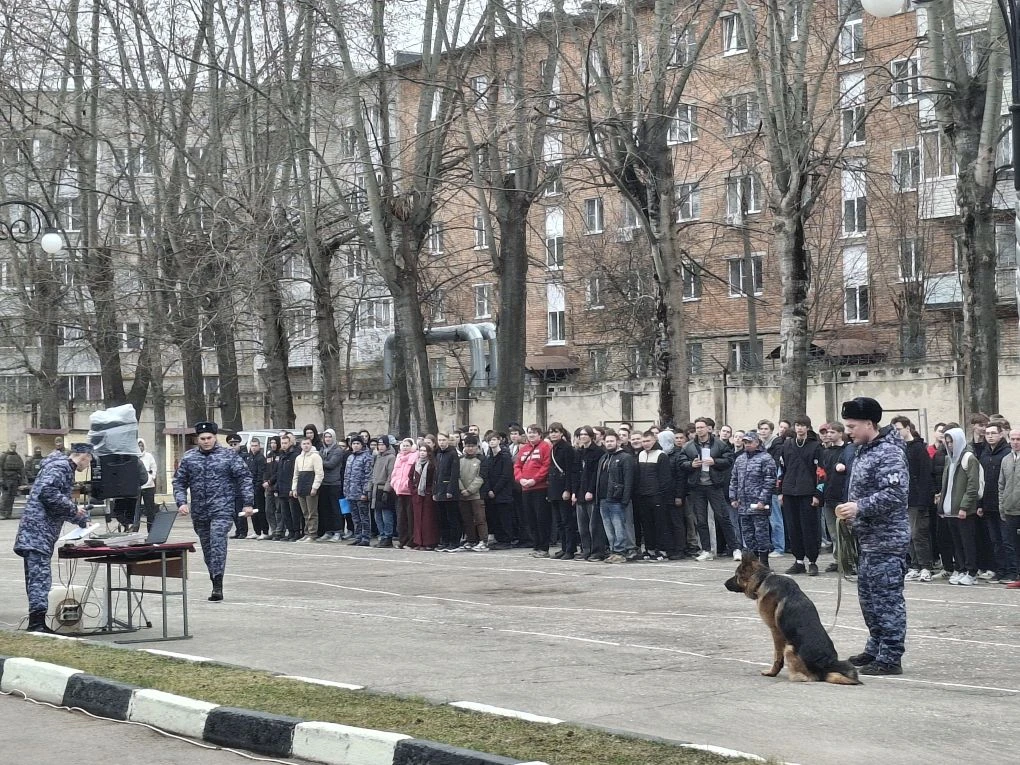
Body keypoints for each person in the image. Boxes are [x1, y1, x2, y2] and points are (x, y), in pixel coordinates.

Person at [836, 397, 910, 676]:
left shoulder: (888, 452)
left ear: (869, 424)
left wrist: (860, 507)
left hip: (887, 540)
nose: (848, 431)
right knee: (869, 599)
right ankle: (875, 646)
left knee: (887, 600)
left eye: (852, 426)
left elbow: (895, 494)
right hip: (867, 539)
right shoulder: (864, 450)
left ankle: (890, 656)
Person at [14, 443, 94, 632]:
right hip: (38, 532)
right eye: (89, 461)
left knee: (36, 578)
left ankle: (36, 622)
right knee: (40, 578)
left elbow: (55, 503)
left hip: (36, 532)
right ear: (84, 456)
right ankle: (37, 624)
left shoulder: (60, 466)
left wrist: (80, 518)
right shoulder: (61, 467)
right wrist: (74, 509)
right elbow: (47, 493)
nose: (88, 466)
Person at [173, 421, 254, 601]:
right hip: (200, 511)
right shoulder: (189, 458)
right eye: (203, 438)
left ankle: (218, 585)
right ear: (198, 439)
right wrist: (181, 502)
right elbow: (179, 481)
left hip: (222, 508)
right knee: (208, 549)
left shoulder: (228, 456)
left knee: (218, 542)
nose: (206, 441)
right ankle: (214, 578)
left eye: (209, 438)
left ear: (215, 437)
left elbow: (244, 478)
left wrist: (248, 502)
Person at [677, 417, 737, 562]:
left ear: (708, 429)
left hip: (714, 485)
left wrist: (714, 462)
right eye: (697, 428)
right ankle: (706, 549)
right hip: (697, 487)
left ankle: (735, 548)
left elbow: (729, 460)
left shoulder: (719, 444)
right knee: (701, 520)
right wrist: (691, 464)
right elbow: (681, 462)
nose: (699, 430)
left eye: (702, 427)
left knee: (723, 517)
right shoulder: (689, 446)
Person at [777, 416, 824, 576]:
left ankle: (812, 561)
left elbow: (821, 472)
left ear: (808, 428)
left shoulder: (816, 446)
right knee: (793, 527)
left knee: (809, 528)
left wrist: (818, 494)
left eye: (803, 425)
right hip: (789, 491)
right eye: (797, 425)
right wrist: (780, 491)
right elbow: (782, 469)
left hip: (808, 493)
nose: (800, 428)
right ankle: (798, 561)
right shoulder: (787, 445)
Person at [891, 416, 934, 582]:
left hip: (916, 498)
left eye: (899, 429)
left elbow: (925, 475)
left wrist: (924, 499)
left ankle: (925, 566)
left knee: (918, 534)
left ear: (907, 428)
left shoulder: (918, 448)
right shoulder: (897, 448)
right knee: (907, 534)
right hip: (902, 498)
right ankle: (915, 565)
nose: (896, 433)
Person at [936, 427, 981, 586]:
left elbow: (972, 485)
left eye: (952, 442)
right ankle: (961, 568)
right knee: (956, 542)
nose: (949, 445)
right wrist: (942, 506)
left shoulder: (969, 458)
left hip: (963, 510)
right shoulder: (949, 460)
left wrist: (964, 506)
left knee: (967, 542)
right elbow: (945, 485)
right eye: (947, 442)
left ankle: (971, 572)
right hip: (950, 509)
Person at [729, 430, 777, 567]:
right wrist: (733, 497)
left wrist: (763, 500)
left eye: (749, 442)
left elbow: (770, 480)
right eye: (745, 442)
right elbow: (734, 479)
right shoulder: (740, 459)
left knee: (761, 534)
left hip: (758, 505)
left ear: (757, 442)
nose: (747, 444)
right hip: (743, 505)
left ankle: (764, 563)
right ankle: (753, 564)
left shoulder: (766, 458)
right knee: (748, 535)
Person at [596, 430, 634, 563]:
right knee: (609, 528)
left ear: (618, 442)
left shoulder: (625, 457)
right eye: (607, 441)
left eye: (612, 441)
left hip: (617, 499)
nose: (609, 443)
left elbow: (628, 480)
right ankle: (613, 551)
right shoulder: (604, 458)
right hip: (603, 498)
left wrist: (625, 499)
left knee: (619, 527)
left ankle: (620, 552)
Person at [515, 424, 552, 558]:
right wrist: (520, 479)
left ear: (540, 435)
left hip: (540, 488)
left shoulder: (545, 447)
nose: (531, 435)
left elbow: (546, 466)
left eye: (534, 433)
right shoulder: (524, 449)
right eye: (529, 433)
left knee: (541, 518)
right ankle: (536, 545)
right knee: (530, 518)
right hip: (526, 488)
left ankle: (544, 547)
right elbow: (517, 466)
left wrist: (534, 480)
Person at [481, 433, 515, 550]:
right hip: (491, 493)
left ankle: (507, 540)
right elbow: (486, 475)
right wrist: (489, 489)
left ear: (499, 441)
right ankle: (499, 538)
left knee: (504, 517)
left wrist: (495, 490)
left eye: (494, 440)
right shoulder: (489, 457)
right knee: (495, 517)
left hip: (503, 492)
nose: (492, 442)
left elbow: (506, 475)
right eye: (489, 440)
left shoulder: (505, 456)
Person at [456, 435, 488, 551]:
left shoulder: (482, 459)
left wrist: (470, 490)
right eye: (468, 446)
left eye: (473, 446)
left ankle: (483, 541)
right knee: (467, 519)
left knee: (480, 519)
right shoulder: (460, 460)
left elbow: (481, 476)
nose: (470, 448)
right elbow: (457, 476)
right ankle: (471, 540)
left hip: (477, 495)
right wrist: (462, 489)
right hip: (462, 494)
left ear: (477, 447)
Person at [997, 429, 1020, 588]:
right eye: (1013, 439)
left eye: (1018, 439)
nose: (1015, 442)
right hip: (1009, 510)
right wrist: (1002, 506)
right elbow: (1001, 485)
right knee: (1013, 545)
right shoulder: (1005, 460)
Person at [343, 435, 373, 546]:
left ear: (362, 445)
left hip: (360, 493)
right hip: (351, 492)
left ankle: (366, 537)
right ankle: (358, 536)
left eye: (358, 443)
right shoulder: (350, 457)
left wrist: (365, 492)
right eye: (354, 443)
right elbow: (346, 476)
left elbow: (368, 476)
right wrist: (346, 490)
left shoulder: (367, 457)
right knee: (355, 517)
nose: (355, 446)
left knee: (364, 516)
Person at [317, 429, 345, 542]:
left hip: (334, 482)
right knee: (325, 508)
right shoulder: (322, 450)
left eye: (329, 437)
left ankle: (338, 531)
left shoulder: (337, 450)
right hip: (323, 482)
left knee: (335, 508)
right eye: (326, 437)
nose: (327, 439)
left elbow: (331, 464)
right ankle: (328, 531)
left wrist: (319, 460)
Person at [410, 444, 439, 550]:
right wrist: (413, 490)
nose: (422, 453)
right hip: (417, 496)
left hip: (427, 495)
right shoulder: (416, 464)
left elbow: (434, 480)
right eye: (421, 450)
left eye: (424, 451)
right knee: (418, 520)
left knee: (428, 520)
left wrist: (430, 491)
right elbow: (410, 478)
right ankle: (419, 542)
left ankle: (429, 542)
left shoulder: (432, 465)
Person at [390, 438, 418, 548]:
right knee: (401, 518)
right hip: (399, 491)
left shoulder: (415, 456)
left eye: (407, 445)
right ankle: (402, 540)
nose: (405, 447)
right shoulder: (399, 457)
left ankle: (411, 541)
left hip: (409, 492)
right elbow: (395, 473)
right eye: (404, 445)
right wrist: (394, 483)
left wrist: (407, 484)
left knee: (410, 518)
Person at [371, 436, 397, 547]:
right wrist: (369, 488)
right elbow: (373, 474)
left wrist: (387, 490)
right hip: (376, 488)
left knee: (386, 515)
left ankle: (388, 536)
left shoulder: (391, 457)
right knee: (377, 515)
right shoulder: (377, 457)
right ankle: (382, 535)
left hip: (384, 489)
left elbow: (391, 475)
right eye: (379, 445)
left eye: (382, 444)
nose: (380, 447)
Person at [245, 438, 270, 539]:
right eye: (252, 446)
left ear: (259, 446)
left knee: (260, 510)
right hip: (250, 487)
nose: (254, 448)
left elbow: (261, 473)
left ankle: (265, 531)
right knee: (253, 511)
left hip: (258, 488)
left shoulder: (261, 458)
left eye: (255, 446)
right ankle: (257, 531)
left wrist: (257, 487)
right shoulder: (249, 457)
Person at [133, 439, 158, 532]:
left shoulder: (149, 456)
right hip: (137, 486)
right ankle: (135, 529)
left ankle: (151, 530)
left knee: (150, 509)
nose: (140, 447)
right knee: (136, 509)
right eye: (138, 445)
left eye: (141, 445)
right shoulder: (133, 457)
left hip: (149, 486)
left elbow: (154, 467)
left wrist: (151, 477)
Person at [1, 442, 26, 520]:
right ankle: (2, 513)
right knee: (5, 497)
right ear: (9, 447)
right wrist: (1, 479)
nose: (13, 447)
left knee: (11, 497)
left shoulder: (17, 457)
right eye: (12, 446)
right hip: (6, 479)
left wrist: (22, 480)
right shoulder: (4, 456)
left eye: (14, 446)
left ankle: (9, 513)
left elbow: (21, 468)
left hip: (15, 479)